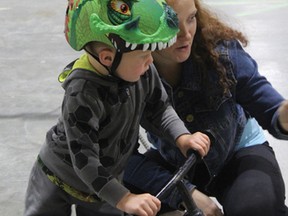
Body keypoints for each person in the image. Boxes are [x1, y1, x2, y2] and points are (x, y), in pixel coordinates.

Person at [23, 0, 212, 216]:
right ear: (107, 57)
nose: (150, 60)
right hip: (58, 179)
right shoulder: (82, 92)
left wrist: (182, 137)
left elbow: (160, 109)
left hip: (107, 180)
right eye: (143, 55)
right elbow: (84, 157)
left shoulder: (143, 71)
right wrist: (124, 198)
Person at [123, 0, 288, 215]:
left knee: (258, 207)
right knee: (125, 199)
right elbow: (119, 157)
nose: (186, 34)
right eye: (171, 23)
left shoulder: (219, 49)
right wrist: (185, 193)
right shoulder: (123, 73)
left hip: (236, 152)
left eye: (191, 18)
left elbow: (264, 102)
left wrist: (283, 114)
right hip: (175, 161)